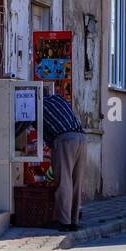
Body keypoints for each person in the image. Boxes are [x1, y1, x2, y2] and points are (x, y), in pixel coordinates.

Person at [42, 91, 86, 232]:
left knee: (64, 180)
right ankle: (74, 220)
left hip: (65, 140)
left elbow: (19, 126)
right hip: (81, 138)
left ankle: (64, 221)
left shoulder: (37, 105)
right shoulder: (58, 98)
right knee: (76, 181)